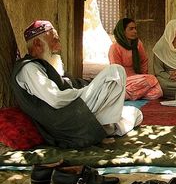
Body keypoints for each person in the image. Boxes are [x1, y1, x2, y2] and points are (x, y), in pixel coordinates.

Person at [11, 20, 142, 148]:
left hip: (73, 111)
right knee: (115, 71)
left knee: (136, 114)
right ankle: (99, 127)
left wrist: (86, 87)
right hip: (64, 120)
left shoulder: (43, 65)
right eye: (54, 41)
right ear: (37, 43)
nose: (59, 47)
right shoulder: (29, 69)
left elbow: (69, 83)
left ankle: (99, 126)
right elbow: (55, 99)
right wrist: (86, 91)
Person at [109, 18, 163, 101]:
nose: (135, 31)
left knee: (157, 92)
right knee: (151, 79)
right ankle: (126, 93)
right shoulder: (114, 48)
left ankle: (127, 95)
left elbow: (144, 61)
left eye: (135, 28)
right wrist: (141, 80)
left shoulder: (138, 44)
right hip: (123, 81)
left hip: (138, 79)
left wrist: (142, 77)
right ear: (122, 31)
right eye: (131, 29)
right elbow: (116, 71)